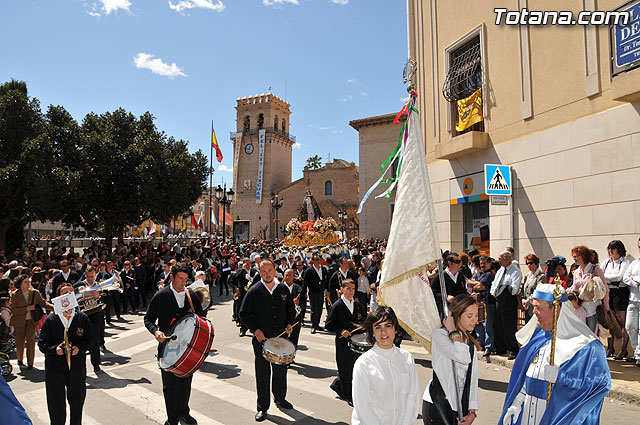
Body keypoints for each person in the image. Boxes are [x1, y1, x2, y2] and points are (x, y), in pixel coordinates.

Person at [499, 284, 611, 425]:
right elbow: (524, 378)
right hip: (528, 413)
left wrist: (560, 379)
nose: (534, 312)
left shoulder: (587, 348)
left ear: (557, 309)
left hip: (555, 416)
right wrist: (516, 402)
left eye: (539, 307)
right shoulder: (538, 338)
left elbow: (596, 387)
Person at [144, 262, 205, 425]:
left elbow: (201, 317)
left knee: (185, 382)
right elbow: (148, 319)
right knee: (170, 386)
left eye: (186, 279)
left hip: (187, 347)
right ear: (171, 277)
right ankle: (172, 419)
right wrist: (156, 332)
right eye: (180, 278)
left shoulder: (190, 294)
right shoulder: (161, 296)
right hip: (167, 348)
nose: (183, 282)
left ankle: (184, 412)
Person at [238, 259, 295, 422]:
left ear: (274, 269)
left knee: (280, 370)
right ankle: (262, 407)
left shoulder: (283, 288)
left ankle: (280, 398)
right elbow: (243, 313)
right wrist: (255, 330)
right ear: (259, 272)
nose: (267, 274)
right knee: (262, 374)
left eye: (270, 270)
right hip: (261, 341)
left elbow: (290, 309)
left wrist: (289, 323)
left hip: (281, 340)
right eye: (264, 271)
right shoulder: (254, 291)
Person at [351, 306, 420, 425]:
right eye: (378, 327)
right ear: (372, 333)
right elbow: (363, 405)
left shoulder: (406, 358)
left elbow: (413, 397)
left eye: (388, 326)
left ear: (395, 329)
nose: (383, 332)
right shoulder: (364, 363)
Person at [38, 284, 93, 425]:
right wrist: (54, 349)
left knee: (77, 400)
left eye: (71, 293)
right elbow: (42, 344)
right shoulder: (51, 319)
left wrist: (79, 349)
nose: (68, 296)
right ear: (58, 298)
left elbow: (89, 340)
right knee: (56, 403)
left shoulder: (82, 318)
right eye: (64, 294)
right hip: (55, 368)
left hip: (76, 367)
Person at [423, 294, 479, 425]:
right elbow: (463, 357)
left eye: (476, 315)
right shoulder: (440, 335)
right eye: (469, 316)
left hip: (460, 405)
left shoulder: (470, 344)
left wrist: (472, 411)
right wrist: (452, 330)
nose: (474, 320)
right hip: (438, 403)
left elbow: (472, 379)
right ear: (457, 316)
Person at [325, 278, 365, 406]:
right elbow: (329, 325)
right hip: (343, 344)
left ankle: (338, 384)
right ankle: (348, 395)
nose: (351, 291)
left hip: (356, 343)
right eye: (348, 289)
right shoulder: (337, 306)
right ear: (342, 290)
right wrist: (341, 330)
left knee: (354, 368)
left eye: (353, 289)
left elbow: (362, 320)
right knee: (344, 369)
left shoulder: (357, 305)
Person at [10, 274, 53, 369]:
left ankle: (30, 363)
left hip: (32, 321)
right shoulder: (14, 294)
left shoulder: (35, 293)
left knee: (31, 341)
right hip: (19, 321)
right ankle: (20, 358)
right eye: (26, 282)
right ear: (20, 284)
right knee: (20, 341)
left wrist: (54, 307)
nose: (28, 283)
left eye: (29, 281)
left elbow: (43, 303)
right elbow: (13, 310)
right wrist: (26, 308)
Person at [601, 240, 631, 360]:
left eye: (613, 249)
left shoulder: (625, 262)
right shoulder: (606, 262)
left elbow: (619, 277)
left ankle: (623, 349)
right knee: (609, 320)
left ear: (619, 249)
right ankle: (610, 347)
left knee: (621, 320)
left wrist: (606, 277)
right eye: (609, 249)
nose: (610, 251)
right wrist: (609, 278)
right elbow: (600, 275)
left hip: (620, 292)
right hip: (609, 292)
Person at [569, 245, 609, 333]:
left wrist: (606, 308)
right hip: (580, 308)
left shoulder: (596, 269)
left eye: (575, 256)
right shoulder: (576, 272)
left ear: (582, 256)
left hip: (594, 308)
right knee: (582, 333)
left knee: (593, 334)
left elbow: (605, 289)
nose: (574, 259)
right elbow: (574, 289)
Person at [490, 251, 522, 359]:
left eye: (500, 258)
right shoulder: (500, 271)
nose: (498, 261)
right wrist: (494, 292)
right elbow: (494, 283)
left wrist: (503, 290)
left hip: (508, 301)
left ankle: (513, 349)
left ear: (508, 259)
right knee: (498, 324)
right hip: (498, 300)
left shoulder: (515, 271)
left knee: (509, 326)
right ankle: (500, 348)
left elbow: (514, 289)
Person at [73, 265, 105, 372]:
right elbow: (70, 291)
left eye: (92, 276)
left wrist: (98, 296)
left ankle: (96, 364)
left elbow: (108, 300)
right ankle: (83, 368)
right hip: (83, 317)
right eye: (88, 277)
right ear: (85, 275)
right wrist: (78, 290)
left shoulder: (99, 285)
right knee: (81, 341)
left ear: (95, 275)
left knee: (95, 341)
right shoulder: (80, 284)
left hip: (96, 316)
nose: (90, 279)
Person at [431, 252, 467, 319]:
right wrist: (445, 297)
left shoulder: (461, 276)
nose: (460, 264)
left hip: (459, 312)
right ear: (450, 263)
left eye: (460, 261)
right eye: (457, 261)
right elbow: (433, 293)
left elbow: (463, 291)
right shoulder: (440, 276)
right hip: (446, 313)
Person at [623, 237, 640, 367]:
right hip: (633, 300)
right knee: (630, 327)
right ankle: (637, 352)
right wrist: (636, 282)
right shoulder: (634, 263)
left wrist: (635, 278)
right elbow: (625, 278)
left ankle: (638, 356)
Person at [303, 254, 328, 334]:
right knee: (314, 309)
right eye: (316, 260)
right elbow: (305, 283)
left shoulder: (323, 269)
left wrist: (327, 289)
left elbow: (326, 280)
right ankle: (313, 325)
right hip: (313, 292)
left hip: (321, 292)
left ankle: (317, 324)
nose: (318, 261)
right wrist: (304, 293)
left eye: (319, 259)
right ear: (313, 261)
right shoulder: (309, 271)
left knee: (320, 308)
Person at [282, 268, 305, 349]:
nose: (288, 277)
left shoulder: (298, 288)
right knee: (283, 338)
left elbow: (303, 303)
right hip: (283, 317)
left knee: (294, 338)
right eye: (286, 275)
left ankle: (291, 356)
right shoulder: (278, 288)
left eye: (290, 275)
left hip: (295, 318)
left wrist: (298, 302)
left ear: (293, 277)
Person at [520, 254, 544, 323]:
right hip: (526, 307)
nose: (529, 265)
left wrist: (528, 301)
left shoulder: (541, 276)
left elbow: (538, 291)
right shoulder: (527, 276)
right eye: (527, 263)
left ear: (536, 264)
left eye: (531, 263)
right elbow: (523, 290)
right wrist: (523, 299)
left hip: (535, 307)